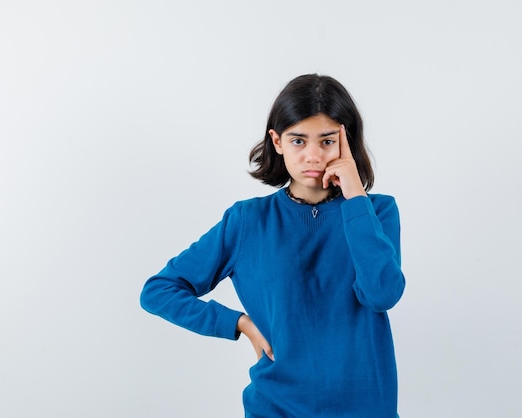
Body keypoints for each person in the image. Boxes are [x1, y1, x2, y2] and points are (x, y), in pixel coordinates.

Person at [140, 74, 405, 417]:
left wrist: (356, 197)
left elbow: (382, 294)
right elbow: (159, 290)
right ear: (277, 142)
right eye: (298, 141)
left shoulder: (377, 211)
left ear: (346, 142)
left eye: (327, 141)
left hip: (366, 408)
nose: (313, 155)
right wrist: (239, 323)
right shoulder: (248, 221)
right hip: (275, 407)